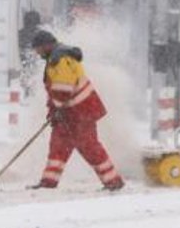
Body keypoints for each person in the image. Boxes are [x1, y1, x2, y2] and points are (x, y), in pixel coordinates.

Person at [30, 30, 124, 191]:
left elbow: (63, 88)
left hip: (82, 112)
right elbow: (55, 90)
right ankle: (48, 182)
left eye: (38, 49)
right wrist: (53, 111)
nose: (37, 53)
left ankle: (113, 181)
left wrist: (57, 108)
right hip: (70, 114)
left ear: (46, 46)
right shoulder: (54, 58)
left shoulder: (61, 59)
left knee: (89, 147)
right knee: (58, 146)